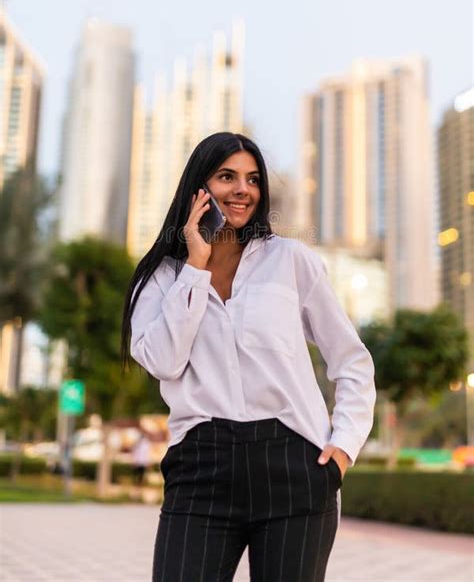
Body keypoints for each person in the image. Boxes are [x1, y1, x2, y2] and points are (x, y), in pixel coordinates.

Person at [121, 132, 376, 582]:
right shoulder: (161, 277)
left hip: (295, 466)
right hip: (202, 465)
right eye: (226, 176)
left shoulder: (291, 260)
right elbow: (162, 361)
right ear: (197, 188)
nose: (243, 189)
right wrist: (195, 268)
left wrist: (343, 449)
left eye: (253, 179)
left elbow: (351, 360)